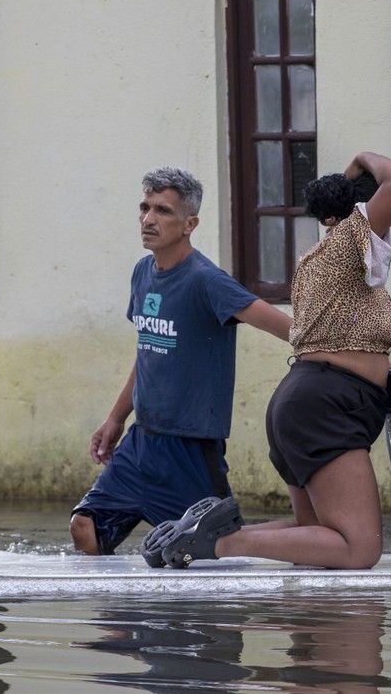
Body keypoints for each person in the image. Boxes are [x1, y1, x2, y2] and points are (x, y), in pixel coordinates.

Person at [144, 151, 391, 570]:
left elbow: (343, 338)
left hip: (307, 401)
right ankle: (221, 543)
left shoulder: (331, 262)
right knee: (358, 548)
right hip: (326, 407)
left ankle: (203, 535)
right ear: (366, 216)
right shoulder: (348, 242)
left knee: (319, 533)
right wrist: (359, 162)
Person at [70, 167, 293, 556]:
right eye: (145, 207)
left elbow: (289, 329)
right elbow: (149, 352)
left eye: (162, 210)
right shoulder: (142, 273)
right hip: (141, 443)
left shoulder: (207, 281)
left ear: (190, 224)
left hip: (190, 448)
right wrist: (116, 419)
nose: (148, 219)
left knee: (224, 546)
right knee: (85, 528)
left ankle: (316, 530)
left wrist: (354, 354)